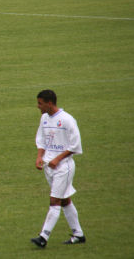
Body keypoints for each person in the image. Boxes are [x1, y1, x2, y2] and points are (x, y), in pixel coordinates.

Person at [31, 89, 85, 248]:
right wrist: (39, 157)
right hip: (49, 166)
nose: (38, 106)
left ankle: (43, 237)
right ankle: (79, 234)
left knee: (54, 200)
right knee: (64, 200)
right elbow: (41, 140)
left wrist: (58, 158)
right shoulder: (44, 119)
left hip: (64, 167)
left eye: (40, 103)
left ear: (49, 103)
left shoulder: (67, 120)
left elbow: (75, 145)